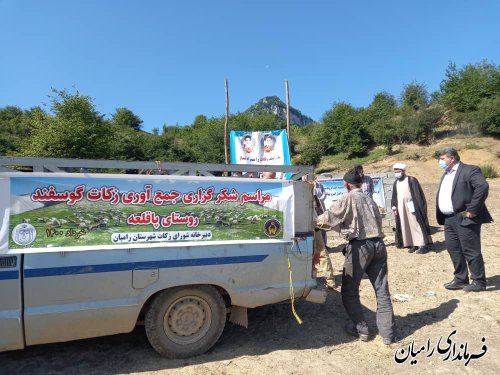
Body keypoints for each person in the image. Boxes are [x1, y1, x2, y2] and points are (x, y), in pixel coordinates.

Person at [316, 169, 395, 344]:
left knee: (349, 290)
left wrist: (310, 221)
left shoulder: (348, 198)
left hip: (361, 247)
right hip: (379, 246)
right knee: (382, 290)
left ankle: (362, 329)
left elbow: (326, 219)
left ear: (345, 184)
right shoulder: (369, 199)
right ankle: (388, 334)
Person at [436, 148, 492, 292]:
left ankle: (479, 281)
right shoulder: (446, 174)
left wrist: (473, 209)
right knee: (453, 249)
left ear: (452, 158)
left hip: (464, 217)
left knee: (470, 249)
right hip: (449, 219)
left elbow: (482, 186)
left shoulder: (470, 170)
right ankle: (460, 279)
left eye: (442, 159)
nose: (440, 162)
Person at [391, 163, 433, 254]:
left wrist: (418, 207)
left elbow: (418, 194)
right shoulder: (396, 183)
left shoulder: (411, 180)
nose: (397, 173)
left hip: (412, 207)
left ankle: (422, 244)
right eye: (395, 172)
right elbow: (394, 196)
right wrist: (394, 208)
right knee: (405, 225)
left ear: (403, 171)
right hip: (401, 208)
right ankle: (412, 243)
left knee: (415, 224)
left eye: (398, 171)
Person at [311, 175, 336, 289]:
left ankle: (329, 280)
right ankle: (315, 280)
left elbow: (319, 205)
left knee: (321, 253)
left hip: (312, 225)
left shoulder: (312, 190)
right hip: (305, 227)